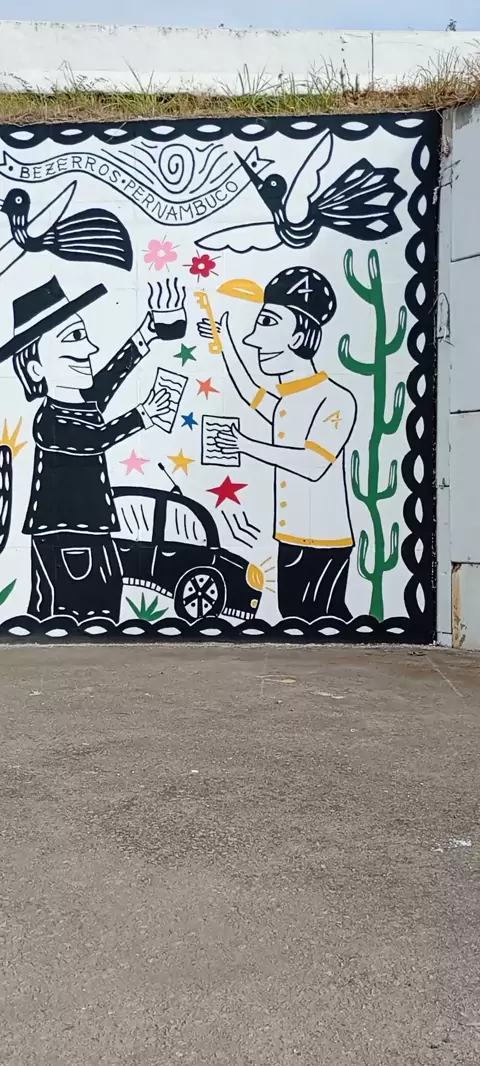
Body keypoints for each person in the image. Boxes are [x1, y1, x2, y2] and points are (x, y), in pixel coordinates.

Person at [0, 276, 169, 621]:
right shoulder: (49, 420)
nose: (91, 348)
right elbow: (92, 440)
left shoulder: (79, 403)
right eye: (75, 337)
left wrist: (146, 334)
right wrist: (142, 416)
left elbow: (107, 380)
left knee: (101, 604)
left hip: (90, 528)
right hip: (66, 532)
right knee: (69, 609)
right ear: (36, 367)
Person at [199, 266, 357, 621]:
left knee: (323, 619)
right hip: (290, 536)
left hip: (325, 542)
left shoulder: (336, 399)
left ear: (300, 336)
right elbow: (249, 392)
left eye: (268, 323)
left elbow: (313, 464)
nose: (254, 341)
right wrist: (225, 343)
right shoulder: (287, 401)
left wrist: (243, 444)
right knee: (294, 617)